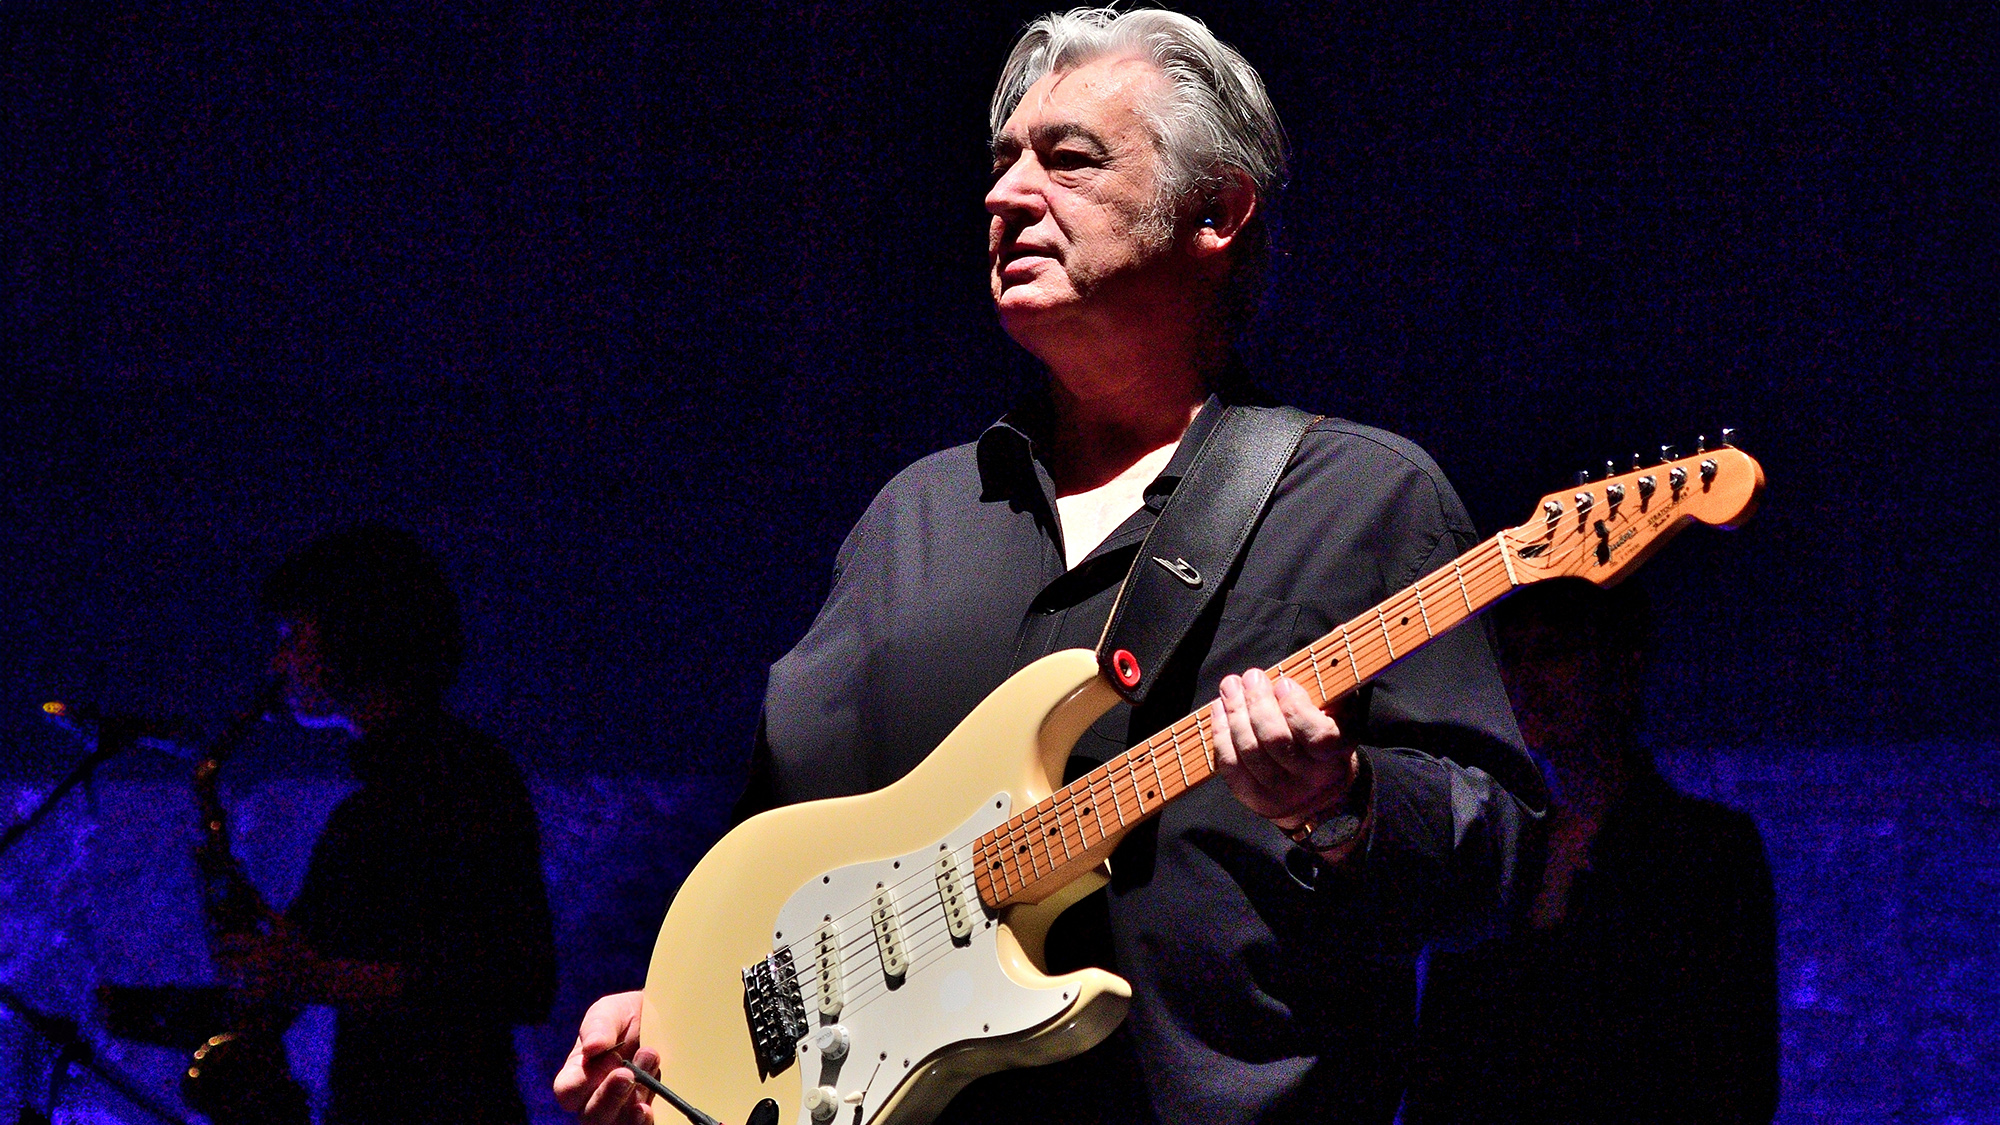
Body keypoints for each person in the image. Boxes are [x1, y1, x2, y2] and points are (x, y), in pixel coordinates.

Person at [558, 9, 1544, 1124]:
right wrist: (689, 1021)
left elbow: (1499, 859)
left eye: (1066, 160)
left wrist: (1344, 802)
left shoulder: (1364, 499)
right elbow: (791, 848)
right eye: (1000, 163)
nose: (1003, 194)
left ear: (1214, 212)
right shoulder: (914, 519)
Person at [1403, 578, 1779, 1123]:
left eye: (1554, 652)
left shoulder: (1705, 851)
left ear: (1621, 667)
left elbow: (1736, 1078)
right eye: (1513, 657)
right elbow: (1438, 1071)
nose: (1526, 680)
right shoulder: (1485, 850)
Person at [223, 523, 557, 1125]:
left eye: (291, 636)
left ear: (355, 636)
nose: (277, 663)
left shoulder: (464, 778)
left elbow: (521, 980)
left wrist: (324, 976)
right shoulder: (366, 809)